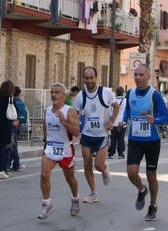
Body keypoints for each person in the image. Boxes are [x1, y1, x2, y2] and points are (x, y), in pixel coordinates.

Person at [118, 64, 168, 221]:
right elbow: (127, 110)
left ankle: (153, 206)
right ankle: (141, 190)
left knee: (151, 175)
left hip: (152, 141)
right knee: (131, 172)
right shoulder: (130, 93)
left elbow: (166, 116)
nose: (138, 78)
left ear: (148, 77)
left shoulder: (155, 95)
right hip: (135, 139)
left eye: (141, 75)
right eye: (136, 75)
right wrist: (124, 120)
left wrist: (156, 120)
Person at [73, 66, 119, 203]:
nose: (89, 81)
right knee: (87, 164)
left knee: (98, 165)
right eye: (86, 78)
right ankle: (93, 192)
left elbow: (116, 106)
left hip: (102, 135)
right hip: (87, 135)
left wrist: (111, 121)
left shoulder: (106, 92)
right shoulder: (80, 96)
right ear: (83, 79)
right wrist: (75, 125)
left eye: (91, 77)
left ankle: (104, 168)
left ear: (96, 77)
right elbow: (75, 112)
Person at [38, 82, 80, 220]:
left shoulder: (70, 110)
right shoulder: (47, 110)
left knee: (70, 179)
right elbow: (45, 126)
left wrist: (63, 121)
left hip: (65, 147)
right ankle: (47, 203)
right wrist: (46, 140)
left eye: (56, 92)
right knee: (44, 175)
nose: (53, 95)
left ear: (63, 95)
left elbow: (76, 132)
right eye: (52, 92)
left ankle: (75, 199)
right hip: (51, 146)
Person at [5, 86, 25, 172]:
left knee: (12, 146)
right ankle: (14, 164)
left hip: (13, 125)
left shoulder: (12, 102)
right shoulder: (21, 102)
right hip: (20, 125)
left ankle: (13, 164)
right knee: (14, 145)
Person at [108, 86, 127, 159]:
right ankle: (121, 153)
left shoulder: (113, 100)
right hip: (121, 122)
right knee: (121, 138)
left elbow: (110, 111)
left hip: (114, 121)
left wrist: (111, 119)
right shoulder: (125, 100)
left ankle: (111, 153)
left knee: (112, 138)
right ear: (122, 93)